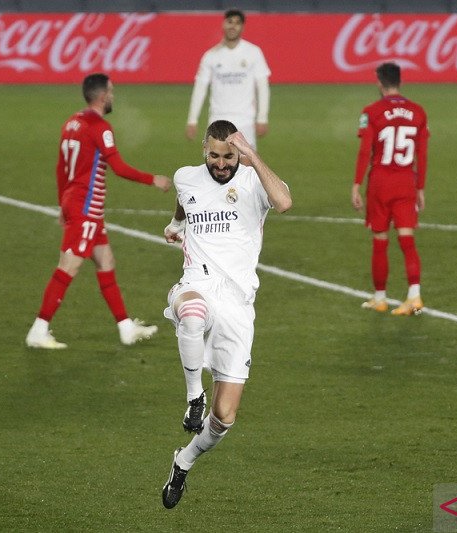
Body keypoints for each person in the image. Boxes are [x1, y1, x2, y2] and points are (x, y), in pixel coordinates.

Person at [160, 120, 291, 509]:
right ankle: (193, 397)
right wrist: (176, 224)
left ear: (239, 153)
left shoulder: (254, 181)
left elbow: (284, 203)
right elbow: (183, 200)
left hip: (238, 303)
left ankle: (183, 462)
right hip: (197, 283)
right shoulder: (186, 177)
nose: (221, 164)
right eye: (214, 156)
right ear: (204, 149)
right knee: (193, 315)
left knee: (224, 417)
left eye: (229, 156)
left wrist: (253, 156)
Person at [25, 72, 172, 349]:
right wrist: (153, 179)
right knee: (68, 266)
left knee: (106, 262)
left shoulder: (71, 123)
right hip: (86, 207)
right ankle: (39, 329)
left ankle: (126, 328)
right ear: (103, 96)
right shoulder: (100, 127)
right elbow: (118, 167)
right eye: (112, 92)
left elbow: (61, 168)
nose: (113, 96)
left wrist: (62, 204)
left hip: (75, 201)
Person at [351, 62, 429, 316]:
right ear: (400, 81)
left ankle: (381, 298)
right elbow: (422, 153)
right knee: (407, 240)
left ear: (378, 81)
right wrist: (420, 188)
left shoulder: (372, 111)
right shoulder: (418, 112)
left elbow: (365, 151)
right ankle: (414, 296)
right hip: (406, 181)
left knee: (380, 241)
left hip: (381, 184)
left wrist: (356, 184)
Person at [185, 8, 271, 147]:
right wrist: (192, 120)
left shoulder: (253, 52)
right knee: (215, 164)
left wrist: (262, 117)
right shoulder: (211, 55)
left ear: (242, 27)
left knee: (247, 165)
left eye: (237, 23)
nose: (233, 26)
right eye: (229, 22)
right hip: (217, 119)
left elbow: (262, 86)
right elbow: (200, 88)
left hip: (245, 120)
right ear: (223, 24)